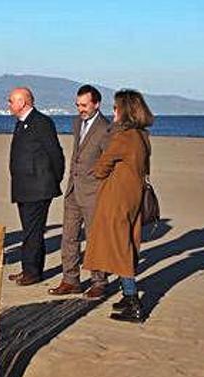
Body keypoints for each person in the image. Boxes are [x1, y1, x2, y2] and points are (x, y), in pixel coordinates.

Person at [83, 89, 154, 322]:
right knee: (127, 245)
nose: (113, 112)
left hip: (118, 198)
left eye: (115, 108)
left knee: (120, 248)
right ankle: (128, 295)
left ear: (124, 110)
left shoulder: (124, 137)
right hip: (133, 197)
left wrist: (101, 170)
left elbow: (102, 166)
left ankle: (133, 300)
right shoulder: (142, 136)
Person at [48, 84, 112, 298]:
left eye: (84, 105)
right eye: (78, 105)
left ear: (97, 104)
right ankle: (70, 279)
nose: (80, 109)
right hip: (73, 190)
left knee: (95, 239)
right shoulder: (77, 123)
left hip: (94, 193)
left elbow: (109, 162)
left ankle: (99, 282)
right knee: (69, 236)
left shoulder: (105, 128)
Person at [7, 87, 65, 286]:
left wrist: (53, 180)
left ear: (23, 102)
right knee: (29, 231)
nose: (9, 105)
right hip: (24, 187)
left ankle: (32, 272)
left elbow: (55, 154)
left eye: (11, 101)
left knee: (33, 232)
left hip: (38, 187)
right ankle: (28, 269)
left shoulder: (41, 122)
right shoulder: (21, 124)